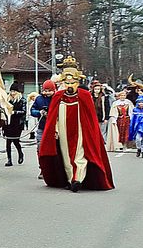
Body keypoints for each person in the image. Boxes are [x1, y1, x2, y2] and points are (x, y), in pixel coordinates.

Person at [39, 56, 114, 192]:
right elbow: (53, 117)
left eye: (73, 82)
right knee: (66, 155)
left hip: (79, 129)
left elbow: (90, 118)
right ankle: (70, 179)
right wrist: (54, 129)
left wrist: (90, 132)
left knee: (80, 153)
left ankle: (77, 179)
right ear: (62, 82)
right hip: (63, 130)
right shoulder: (58, 96)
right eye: (67, 83)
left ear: (77, 82)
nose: (70, 86)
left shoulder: (84, 96)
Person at [30, 79, 56, 178]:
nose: (47, 93)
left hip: (55, 128)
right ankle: (43, 169)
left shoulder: (57, 98)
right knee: (40, 148)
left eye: (49, 91)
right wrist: (39, 112)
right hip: (42, 127)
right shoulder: (39, 99)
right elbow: (32, 110)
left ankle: (54, 169)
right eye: (45, 90)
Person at [3, 82, 26, 166]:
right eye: (11, 91)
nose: (12, 93)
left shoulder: (22, 100)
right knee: (8, 142)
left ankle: (20, 153)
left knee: (16, 141)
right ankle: (9, 160)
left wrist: (14, 112)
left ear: (17, 92)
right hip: (8, 123)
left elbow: (24, 111)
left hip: (17, 123)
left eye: (14, 91)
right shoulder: (7, 100)